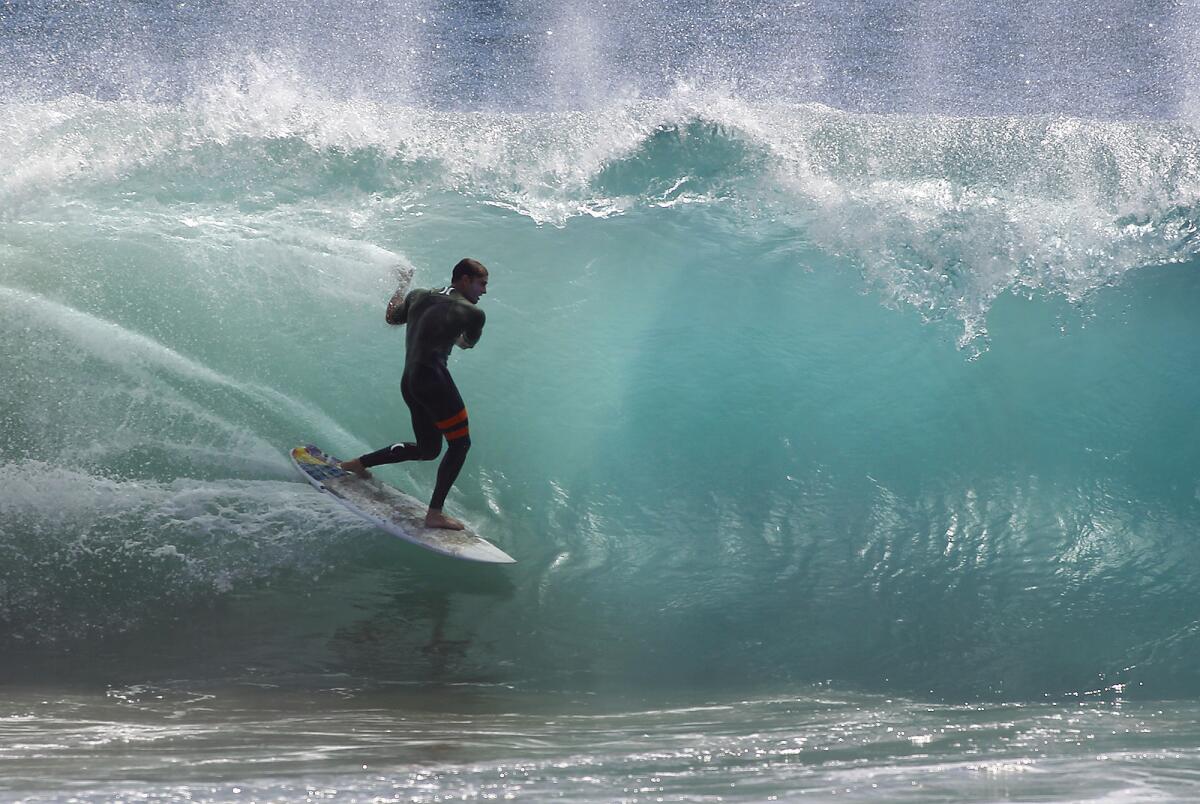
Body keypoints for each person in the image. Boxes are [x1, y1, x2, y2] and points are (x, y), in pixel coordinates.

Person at [340, 258, 489, 530]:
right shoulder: (473, 313)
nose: (484, 292)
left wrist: (402, 284)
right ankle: (435, 514)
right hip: (434, 382)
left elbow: (391, 317)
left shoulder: (418, 295)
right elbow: (466, 343)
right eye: (482, 284)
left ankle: (358, 463)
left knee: (428, 449)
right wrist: (455, 335)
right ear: (464, 280)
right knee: (460, 444)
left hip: (410, 381)